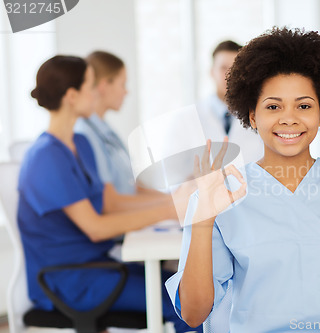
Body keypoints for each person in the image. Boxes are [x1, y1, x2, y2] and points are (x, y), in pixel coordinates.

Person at [165, 28, 320, 333]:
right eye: (273, 106)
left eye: (304, 106)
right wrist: (203, 218)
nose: (289, 118)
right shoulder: (219, 195)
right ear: (253, 115)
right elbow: (194, 314)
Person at [18, 55, 201, 333]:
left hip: (100, 267)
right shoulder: (46, 157)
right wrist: (169, 208)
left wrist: (173, 199)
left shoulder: (79, 143)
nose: (97, 93)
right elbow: (95, 228)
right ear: (71, 95)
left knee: (188, 285)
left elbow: (109, 201)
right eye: (91, 86)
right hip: (71, 280)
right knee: (186, 302)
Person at [73, 51, 136, 195]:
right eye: (123, 84)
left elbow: (134, 186)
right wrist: (172, 205)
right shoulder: (84, 133)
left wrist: (175, 198)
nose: (126, 92)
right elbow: (109, 202)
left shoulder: (105, 129)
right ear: (104, 85)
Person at [195, 40, 263, 164]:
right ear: (212, 72)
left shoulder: (260, 117)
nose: (229, 75)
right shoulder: (190, 119)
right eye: (223, 68)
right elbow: (172, 177)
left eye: (234, 69)